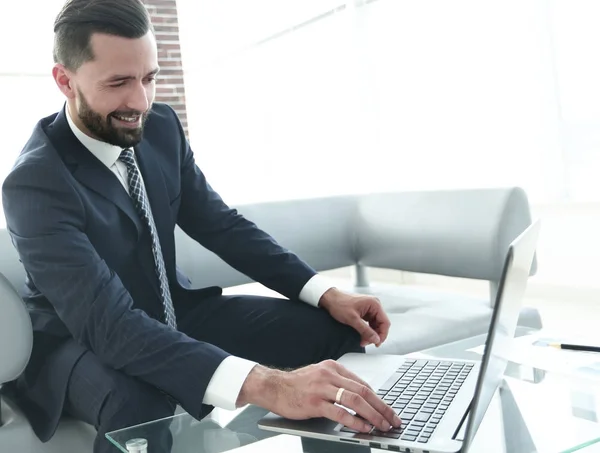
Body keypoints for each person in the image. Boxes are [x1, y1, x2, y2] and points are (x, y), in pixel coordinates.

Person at [1, 0, 401, 452]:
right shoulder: (35, 182)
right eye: (118, 83)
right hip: (77, 339)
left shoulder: (162, 128)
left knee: (332, 333)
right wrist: (270, 385)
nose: (140, 101)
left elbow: (222, 226)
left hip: (172, 311)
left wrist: (326, 294)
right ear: (65, 81)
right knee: (138, 401)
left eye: (148, 78)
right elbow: (108, 324)